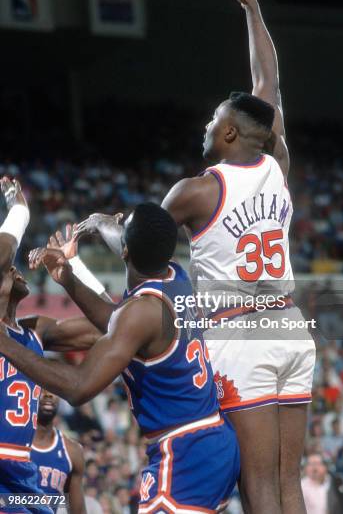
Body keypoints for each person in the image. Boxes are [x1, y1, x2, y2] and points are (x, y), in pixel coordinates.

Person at [74, 0, 316, 514]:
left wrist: (100, 227)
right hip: (291, 327)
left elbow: (146, 244)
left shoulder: (196, 190)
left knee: (259, 488)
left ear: (231, 132)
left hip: (240, 332)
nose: (205, 128)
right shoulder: (278, 163)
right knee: (288, 482)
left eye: (212, 122)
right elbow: (268, 85)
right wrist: (252, 7)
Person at [0, 203, 240, 513]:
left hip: (185, 451)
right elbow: (118, 322)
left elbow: (78, 387)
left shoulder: (139, 312)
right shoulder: (175, 277)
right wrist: (71, 277)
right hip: (213, 441)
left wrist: (4, 344)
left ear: (125, 251)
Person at [0, 178, 101, 514]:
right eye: (8, 269)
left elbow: (108, 329)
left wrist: (74, 270)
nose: (16, 270)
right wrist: (19, 209)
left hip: (21, 477)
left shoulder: (35, 332)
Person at [31, 390, 86, 514]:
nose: (48, 394)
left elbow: (78, 511)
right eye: (41, 389)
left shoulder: (72, 451)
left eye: (52, 389)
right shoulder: (12, 442)